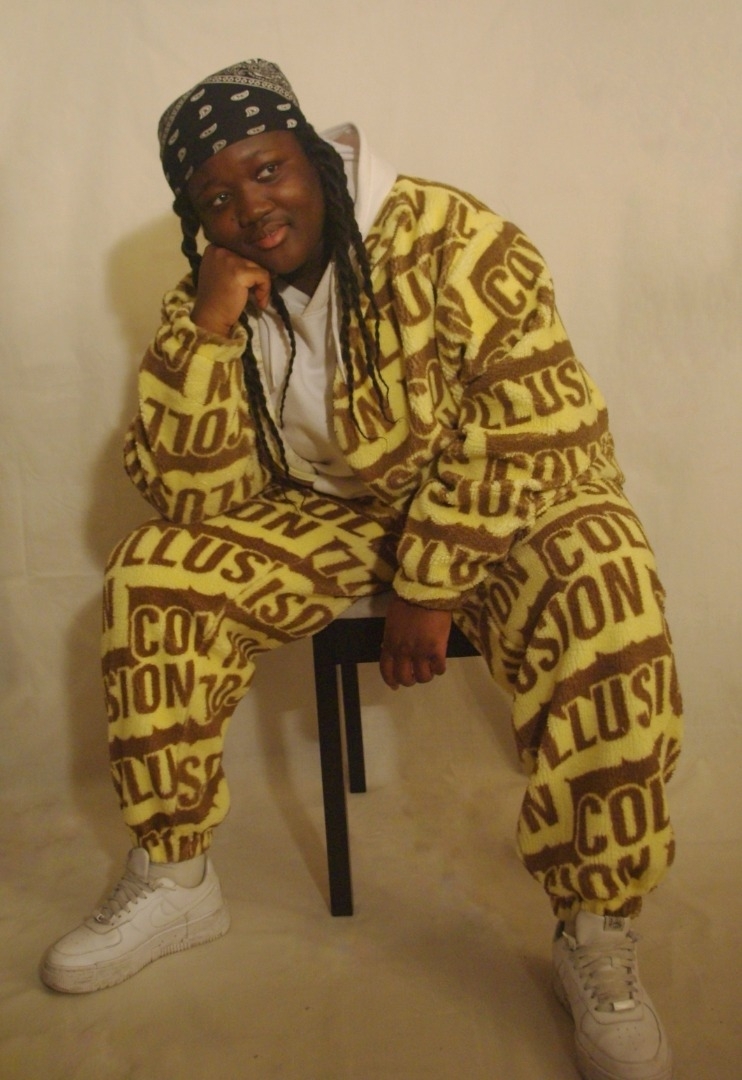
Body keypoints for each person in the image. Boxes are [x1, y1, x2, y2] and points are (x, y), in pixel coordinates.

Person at [41, 59, 682, 1080]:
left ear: (312, 156)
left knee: (607, 587)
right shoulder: (214, 290)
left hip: (515, 492)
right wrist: (208, 332)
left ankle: (596, 926)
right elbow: (191, 498)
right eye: (216, 197)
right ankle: (176, 877)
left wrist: (427, 585)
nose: (251, 209)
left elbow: (529, 426)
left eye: (267, 170)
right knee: (155, 575)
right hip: (338, 513)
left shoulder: (457, 239)